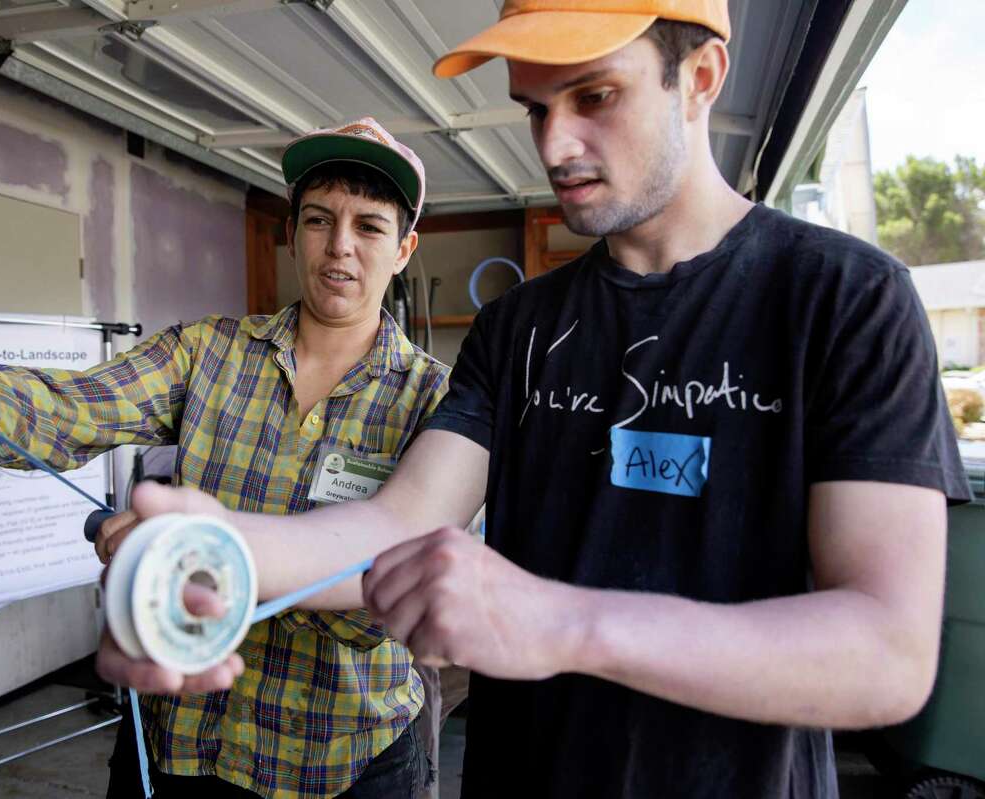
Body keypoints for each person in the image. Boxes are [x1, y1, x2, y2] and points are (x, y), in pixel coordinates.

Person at [91, 2, 970, 797]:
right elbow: (395, 523)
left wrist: (564, 623)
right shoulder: (517, 326)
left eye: (594, 96)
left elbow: (885, 655)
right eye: (537, 108)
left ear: (699, 77)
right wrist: (212, 544)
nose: (552, 146)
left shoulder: (843, 301)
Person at [0, 118, 448, 798]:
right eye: (319, 219)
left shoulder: (435, 397)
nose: (339, 246)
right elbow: (66, 409)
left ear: (404, 247)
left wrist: (187, 550)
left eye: (370, 226)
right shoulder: (208, 351)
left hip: (344, 754)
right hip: (185, 738)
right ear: (291, 233)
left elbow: (418, 581)